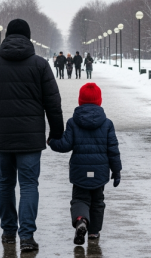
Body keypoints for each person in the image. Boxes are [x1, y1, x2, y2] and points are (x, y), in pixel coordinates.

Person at [0, 19, 64, 252]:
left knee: (5, 184)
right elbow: (53, 103)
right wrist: (56, 133)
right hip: (30, 140)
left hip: (2, 139)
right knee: (29, 185)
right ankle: (27, 237)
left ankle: (8, 232)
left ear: (7, 37)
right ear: (28, 37)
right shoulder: (40, 65)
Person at [49, 83, 121, 245]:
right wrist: (116, 171)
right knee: (97, 202)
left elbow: (65, 145)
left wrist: (52, 141)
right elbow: (113, 151)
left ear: (80, 101)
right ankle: (94, 232)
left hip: (79, 172)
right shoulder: (107, 124)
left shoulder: (73, 122)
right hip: (100, 172)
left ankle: (81, 220)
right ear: (100, 101)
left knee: (80, 199)